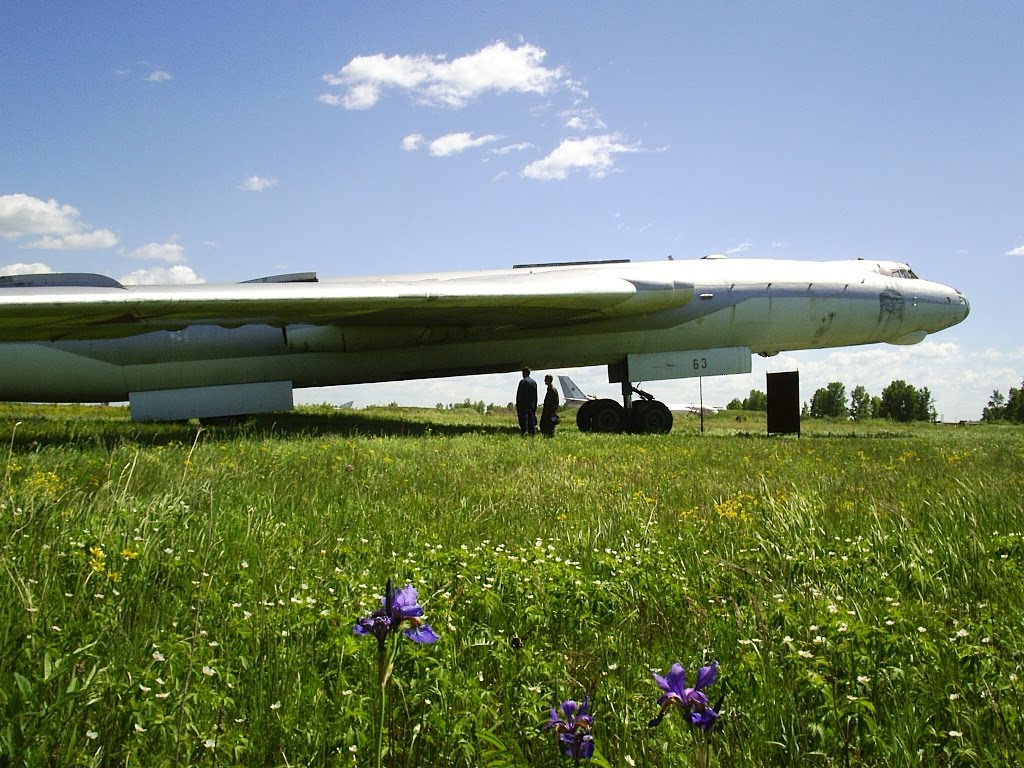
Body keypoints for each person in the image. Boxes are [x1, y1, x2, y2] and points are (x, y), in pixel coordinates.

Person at [516, 367, 538, 436]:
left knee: (524, 419)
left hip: (523, 404)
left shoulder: (523, 382)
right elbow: (535, 395)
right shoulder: (534, 382)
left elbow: (520, 394)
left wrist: (518, 404)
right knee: (531, 419)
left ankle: (524, 432)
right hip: (531, 404)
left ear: (525, 373)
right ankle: (532, 432)